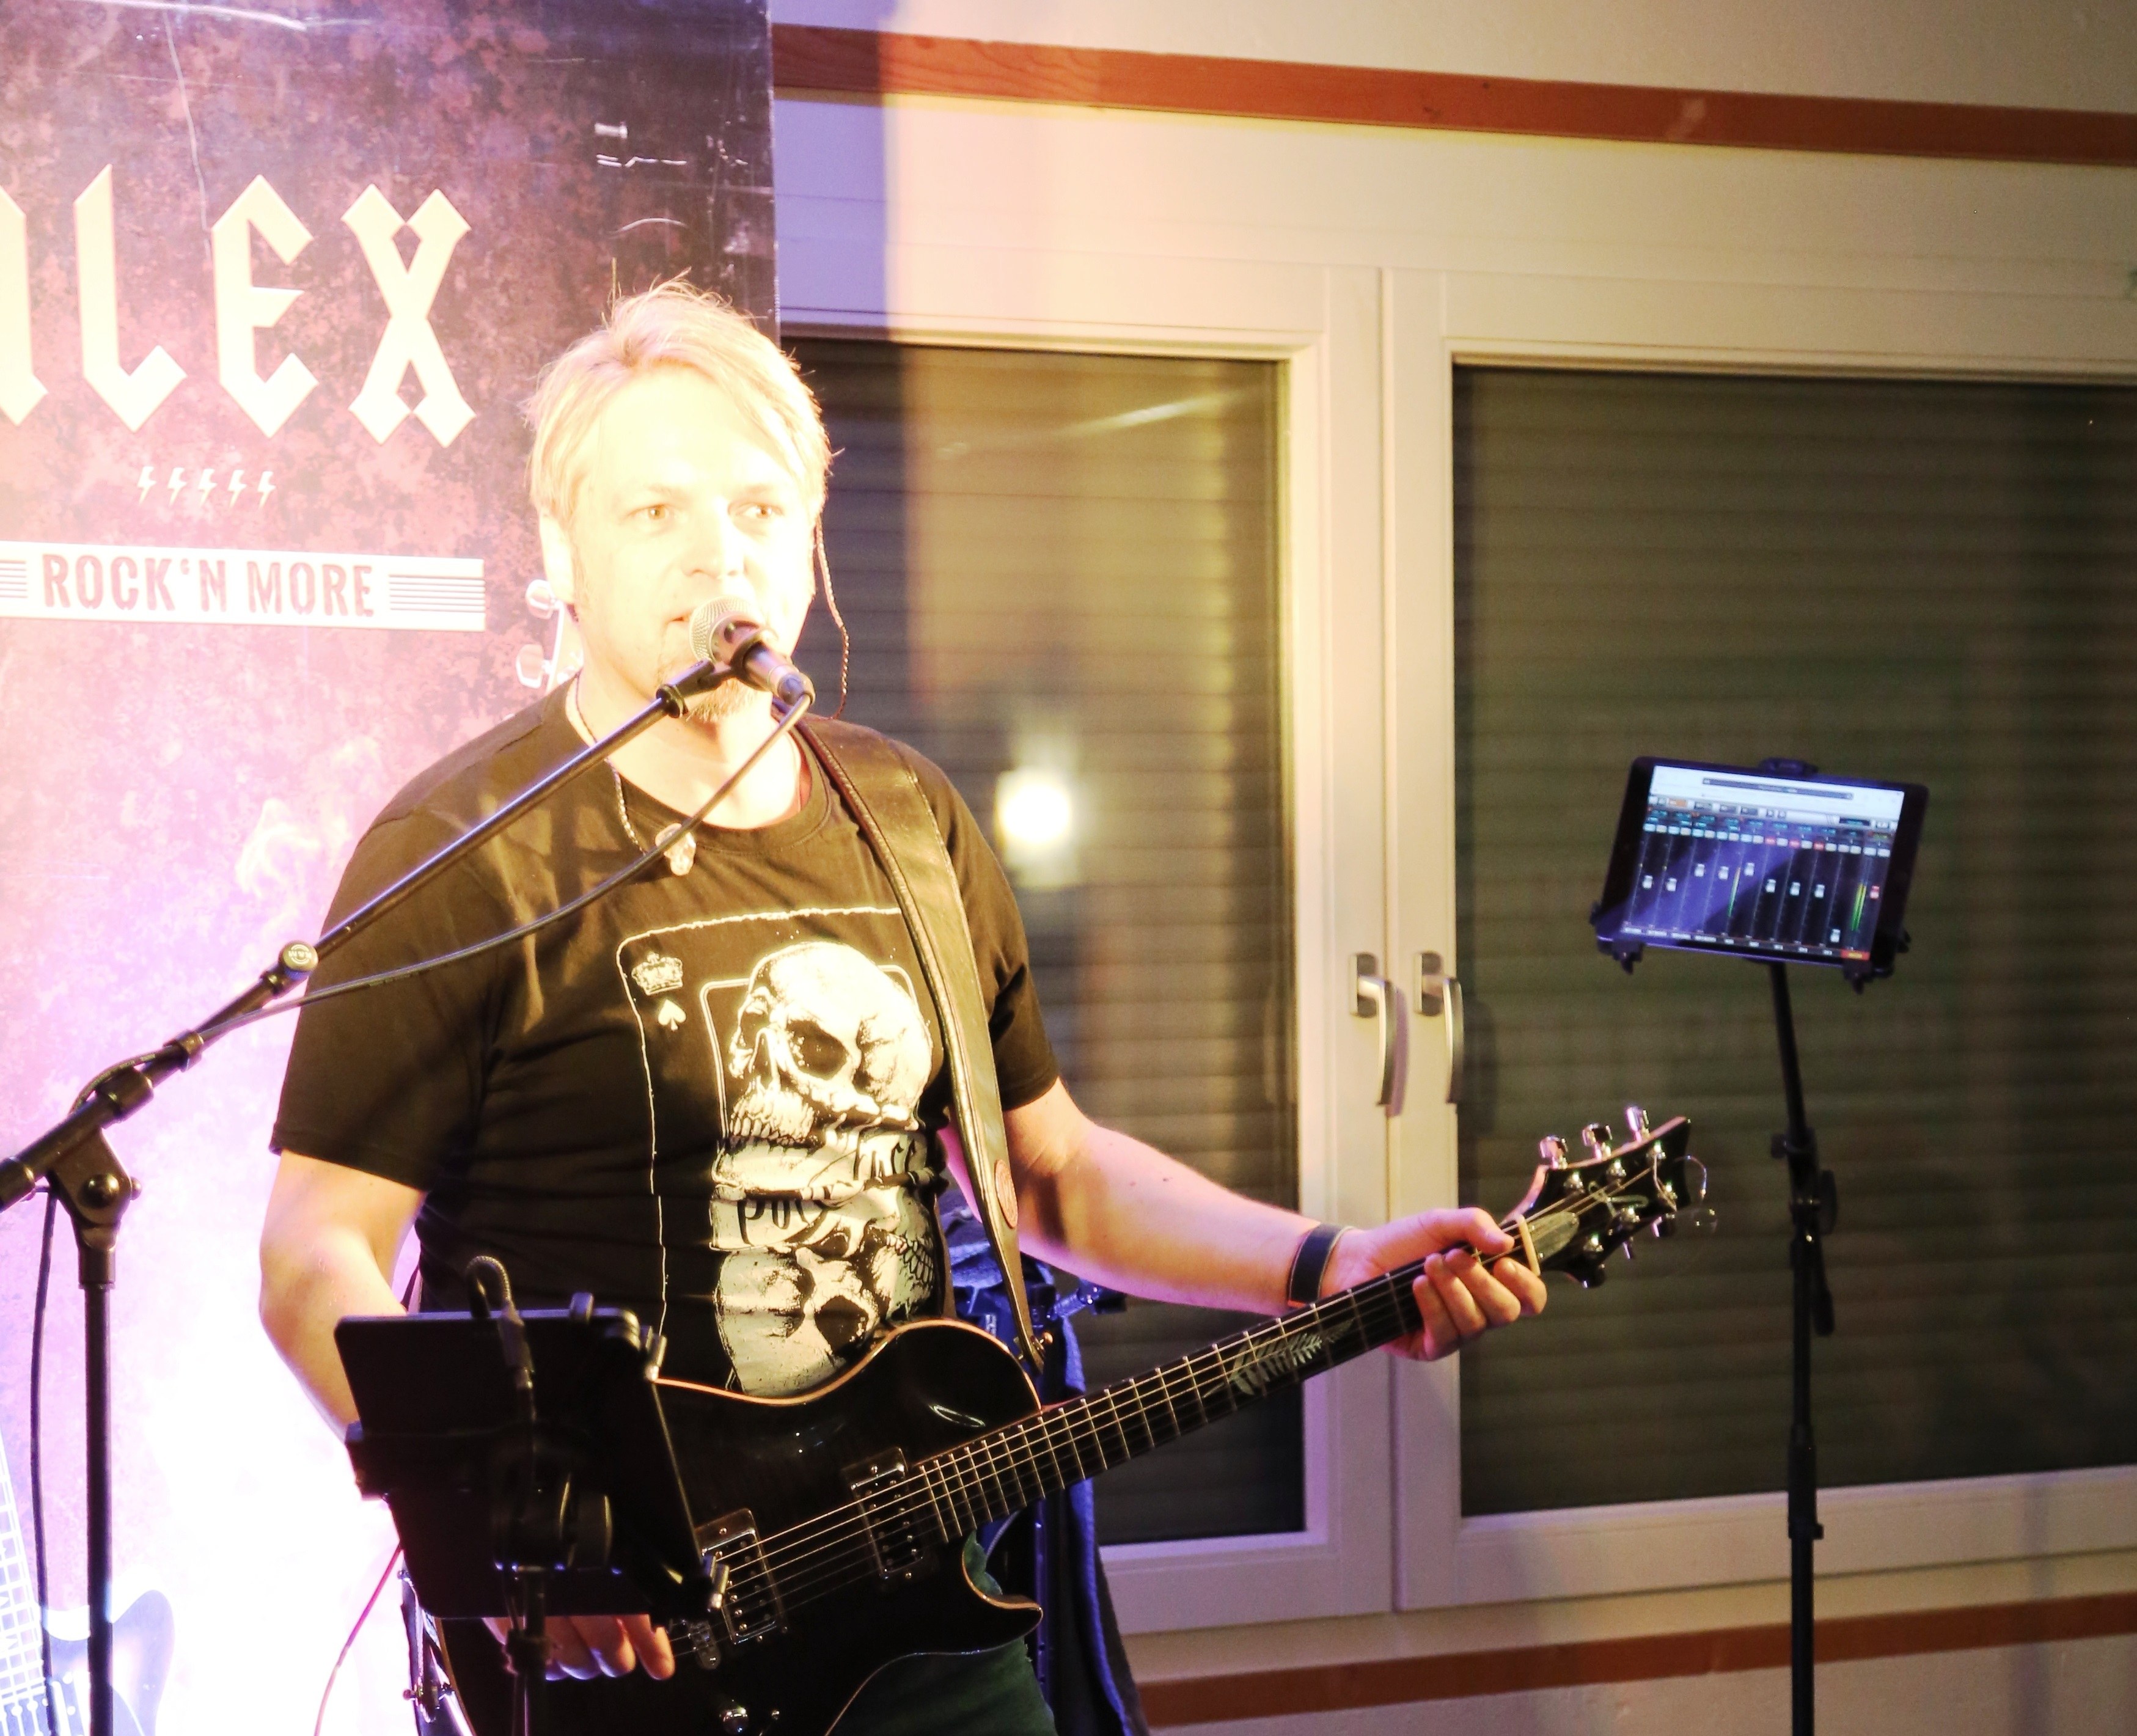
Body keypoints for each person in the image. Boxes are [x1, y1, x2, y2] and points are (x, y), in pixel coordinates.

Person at [257, 282, 1545, 1735]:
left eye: (757, 507)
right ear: (560, 550)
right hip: (629, 1645)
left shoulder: (906, 816)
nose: (717, 554)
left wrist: (1333, 1262)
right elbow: (313, 1252)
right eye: (655, 512)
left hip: (922, 1620)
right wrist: (509, 1521)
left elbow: (1049, 1171)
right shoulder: (466, 852)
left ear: (809, 537)